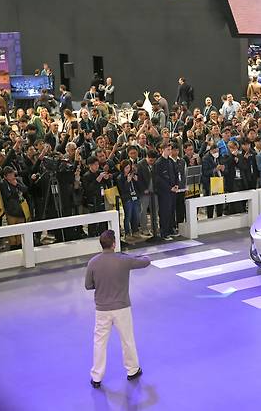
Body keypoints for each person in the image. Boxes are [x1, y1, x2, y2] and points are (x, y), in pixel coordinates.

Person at [85, 230, 150, 389]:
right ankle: (132, 370)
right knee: (127, 340)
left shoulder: (93, 262)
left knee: (99, 342)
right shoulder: (123, 260)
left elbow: (88, 285)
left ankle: (97, 377)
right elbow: (146, 261)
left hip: (102, 310)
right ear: (114, 243)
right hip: (122, 307)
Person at [154, 143, 178, 241]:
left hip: (172, 190)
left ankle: (171, 229)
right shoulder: (158, 163)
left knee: (172, 210)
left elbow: (175, 173)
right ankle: (164, 232)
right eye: (168, 149)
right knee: (165, 212)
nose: (169, 151)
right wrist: (169, 188)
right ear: (162, 150)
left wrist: (176, 184)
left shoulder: (171, 161)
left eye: (170, 149)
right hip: (164, 192)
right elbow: (158, 179)